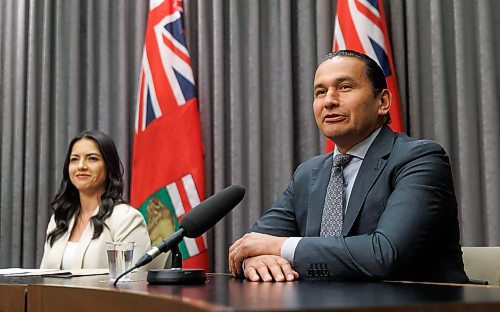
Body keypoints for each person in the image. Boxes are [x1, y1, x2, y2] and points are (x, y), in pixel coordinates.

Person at [228, 50, 468, 283]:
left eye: (344, 87)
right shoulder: (308, 174)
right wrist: (257, 258)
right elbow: (255, 242)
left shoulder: (419, 158)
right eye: (320, 92)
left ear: (383, 102)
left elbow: (384, 254)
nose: (329, 101)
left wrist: (280, 247)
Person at [40, 130, 151, 269]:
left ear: (108, 166)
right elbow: (43, 278)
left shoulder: (126, 219)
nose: (81, 166)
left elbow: (131, 282)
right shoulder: (60, 219)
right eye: (74, 159)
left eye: (92, 158)